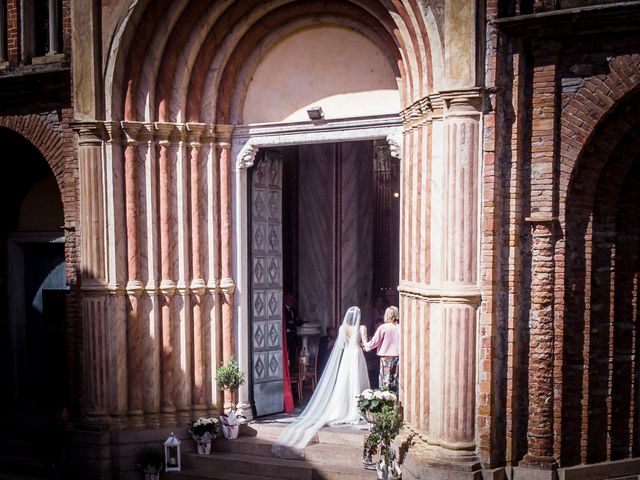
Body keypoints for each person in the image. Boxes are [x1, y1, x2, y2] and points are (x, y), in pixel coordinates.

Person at [272, 306, 370, 458]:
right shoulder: (362, 328)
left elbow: (342, 345)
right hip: (357, 355)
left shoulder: (343, 328)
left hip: (347, 357)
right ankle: (355, 409)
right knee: (357, 381)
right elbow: (366, 345)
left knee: (344, 384)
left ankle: (343, 409)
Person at [364, 306, 400, 393]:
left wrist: (365, 344)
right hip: (398, 357)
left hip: (386, 358)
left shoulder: (383, 327)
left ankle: (386, 402)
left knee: (385, 381)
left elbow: (374, 342)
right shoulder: (400, 327)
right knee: (395, 380)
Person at [284, 293, 303, 362]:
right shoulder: (283, 310)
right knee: (288, 350)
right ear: (285, 300)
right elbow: (287, 323)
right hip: (286, 335)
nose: (291, 301)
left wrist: (293, 322)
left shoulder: (293, 310)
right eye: (289, 299)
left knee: (294, 349)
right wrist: (294, 322)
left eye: (292, 299)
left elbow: (299, 322)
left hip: (293, 333)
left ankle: (293, 364)